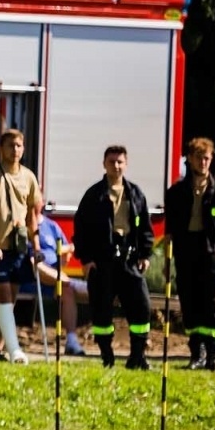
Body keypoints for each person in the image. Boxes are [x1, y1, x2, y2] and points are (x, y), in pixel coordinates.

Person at [73, 145, 154, 369]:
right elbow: (81, 229)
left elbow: (145, 227)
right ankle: (107, 356)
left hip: (129, 260)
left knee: (141, 306)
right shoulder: (94, 195)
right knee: (101, 311)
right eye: (111, 162)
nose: (116, 166)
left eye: (120, 162)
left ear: (126, 164)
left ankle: (137, 356)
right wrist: (86, 259)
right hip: (102, 262)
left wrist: (145, 254)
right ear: (104, 164)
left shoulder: (135, 193)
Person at [165, 138, 215, 370]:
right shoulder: (176, 193)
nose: (203, 162)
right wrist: (167, 262)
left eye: (207, 158)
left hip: (212, 253)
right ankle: (197, 353)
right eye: (199, 158)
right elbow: (170, 232)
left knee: (212, 304)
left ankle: (213, 356)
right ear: (190, 159)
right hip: (186, 253)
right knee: (190, 304)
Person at [0, 129, 43, 363]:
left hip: (19, 247)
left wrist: (36, 246)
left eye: (19, 145)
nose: (15, 150)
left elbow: (33, 214)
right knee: (2, 297)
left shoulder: (29, 177)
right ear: (1, 149)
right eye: (10, 145)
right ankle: (14, 350)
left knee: (9, 301)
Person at [30, 212, 87, 357]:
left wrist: (66, 252)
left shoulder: (51, 226)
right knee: (66, 286)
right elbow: (34, 263)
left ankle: (73, 341)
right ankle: (72, 341)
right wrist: (58, 277)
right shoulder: (27, 225)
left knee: (79, 290)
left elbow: (66, 250)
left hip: (58, 277)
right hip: (34, 278)